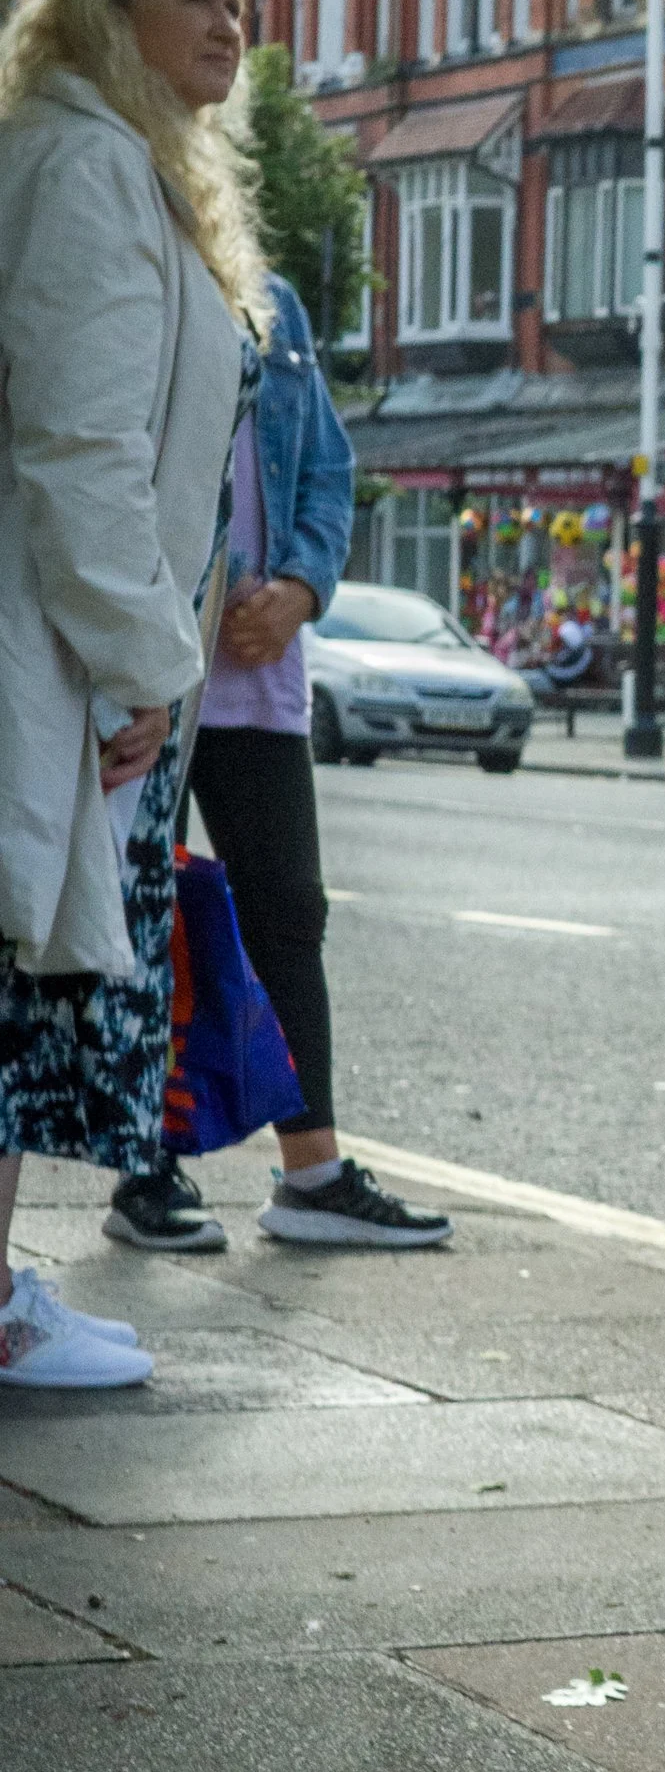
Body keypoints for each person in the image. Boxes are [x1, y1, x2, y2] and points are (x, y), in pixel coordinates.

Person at [0, 0, 257, 1390]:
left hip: (80, 651)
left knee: (30, 975)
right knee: (24, 975)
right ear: (113, 9)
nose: (231, 24)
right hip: (65, 657)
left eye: (240, 1)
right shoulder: (90, 165)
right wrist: (147, 660)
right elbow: (82, 448)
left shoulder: (96, 151)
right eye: (198, 0)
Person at [104, 273, 452, 1255]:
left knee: (288, 911)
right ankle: (144, 1168)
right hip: (142, 659)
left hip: (256, 665)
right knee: (141, 914)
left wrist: (302, 584)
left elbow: (328, 471)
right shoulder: (130, 253)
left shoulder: (274, 300)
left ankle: (314, 1175)